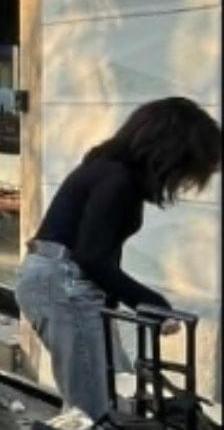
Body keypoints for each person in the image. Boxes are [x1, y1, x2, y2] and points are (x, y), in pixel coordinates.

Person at [15, 97, 221, 421]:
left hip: (64, 283)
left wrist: (131, 304)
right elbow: (93, 258)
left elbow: (98, 255)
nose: (184, 181)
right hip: (62, 285)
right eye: (188, 169)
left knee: (102, 394)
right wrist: (153, 303)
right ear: (171, 153)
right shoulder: (117, 179)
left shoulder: (112, 172)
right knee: (92, 406)